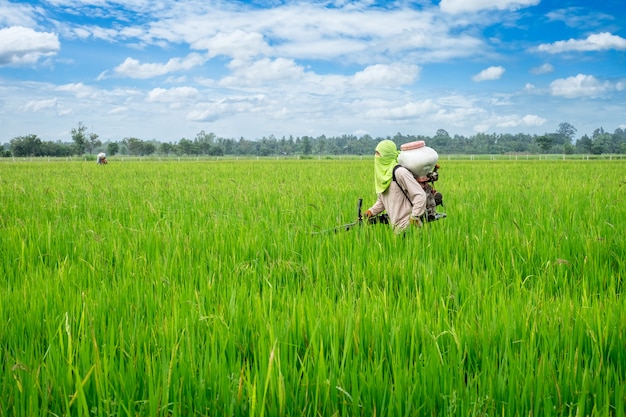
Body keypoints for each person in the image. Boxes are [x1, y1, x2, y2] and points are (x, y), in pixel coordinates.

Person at [363, 140, 427, 231]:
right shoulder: (384, 177)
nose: (376, 156)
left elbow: (420, 195)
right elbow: (383, 200)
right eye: (376, 153)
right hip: (397, 228)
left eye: (379, 154)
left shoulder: (400, 172)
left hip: (409, 227)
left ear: (388, 155)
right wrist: (371, 212)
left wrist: (414, 217)